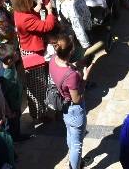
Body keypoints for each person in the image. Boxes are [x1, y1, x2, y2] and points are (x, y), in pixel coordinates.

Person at [49, 33, 86, 169]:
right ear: (71, 51)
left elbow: (63, 68)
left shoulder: (53, 60)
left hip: (64, 107)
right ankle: (75, 165)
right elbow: (77, 99)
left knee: (70, 134)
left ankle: (73, 160)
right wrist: (85, 79)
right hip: (74, 110)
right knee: (77, 144)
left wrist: (75, 66)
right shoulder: (71, 75)